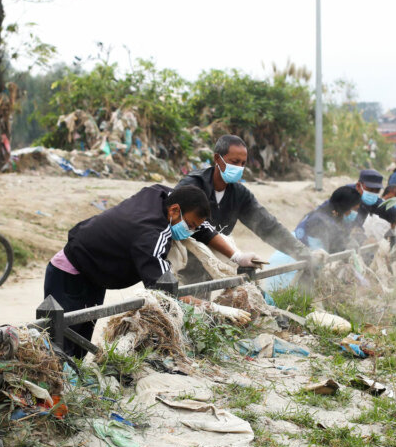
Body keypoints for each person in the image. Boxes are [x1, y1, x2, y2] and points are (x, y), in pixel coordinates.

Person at [43, 185, 211, 358]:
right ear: (174, 210)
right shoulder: (151, 233)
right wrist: (205, 306)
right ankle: (54, 381)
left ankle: (71, 378)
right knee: (60, 342)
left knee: (80, 340)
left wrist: (234, 255)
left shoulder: (158, 195)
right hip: (69, 273)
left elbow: (201, 223)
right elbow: (164, 290)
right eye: (189, 225)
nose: (189, 232)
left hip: (95, 275)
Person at [176, 135, 313, 284]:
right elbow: (197, 228)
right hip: (181, 265)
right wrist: (236, 256)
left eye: (243, 164)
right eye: (234, 162)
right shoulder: (193, 186)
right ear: (217, 159)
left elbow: (267, 226)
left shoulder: (239, 195)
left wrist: (303, 253)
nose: (239, 168)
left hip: (211, 266)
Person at [293, 186, 362, 252]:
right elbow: (320, 254)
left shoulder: (336, 214)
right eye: (355, 209)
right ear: (345, 207)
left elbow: (343, 237)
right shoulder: (318, 221)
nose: (355, 213)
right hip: (298, 258)